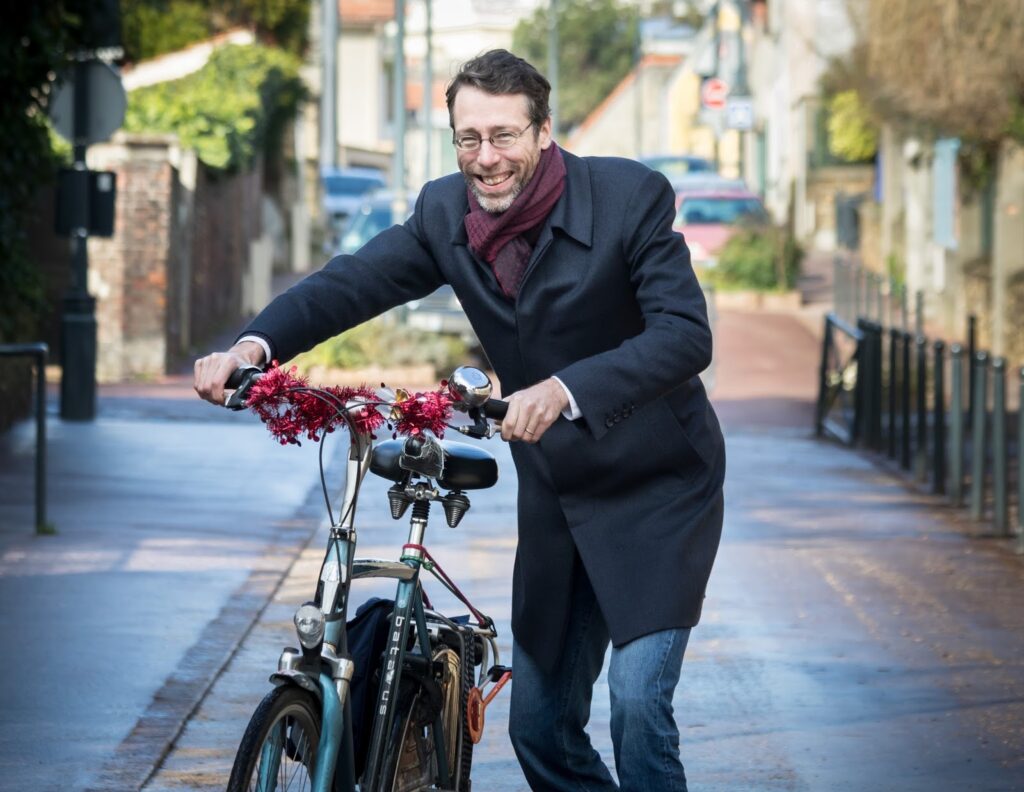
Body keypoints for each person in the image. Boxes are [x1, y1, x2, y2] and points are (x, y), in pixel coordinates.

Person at [194, 49, 725, 791]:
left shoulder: (628, 198)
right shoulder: (446, 213)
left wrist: (566, 389)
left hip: (657, 488)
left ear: (543, 132)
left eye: (505, 136)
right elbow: (354, 281)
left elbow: (684, 336)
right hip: (559, 496)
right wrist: (254, 343)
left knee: (638, 708)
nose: (487, 158)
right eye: (468, 138)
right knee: (539, 730)